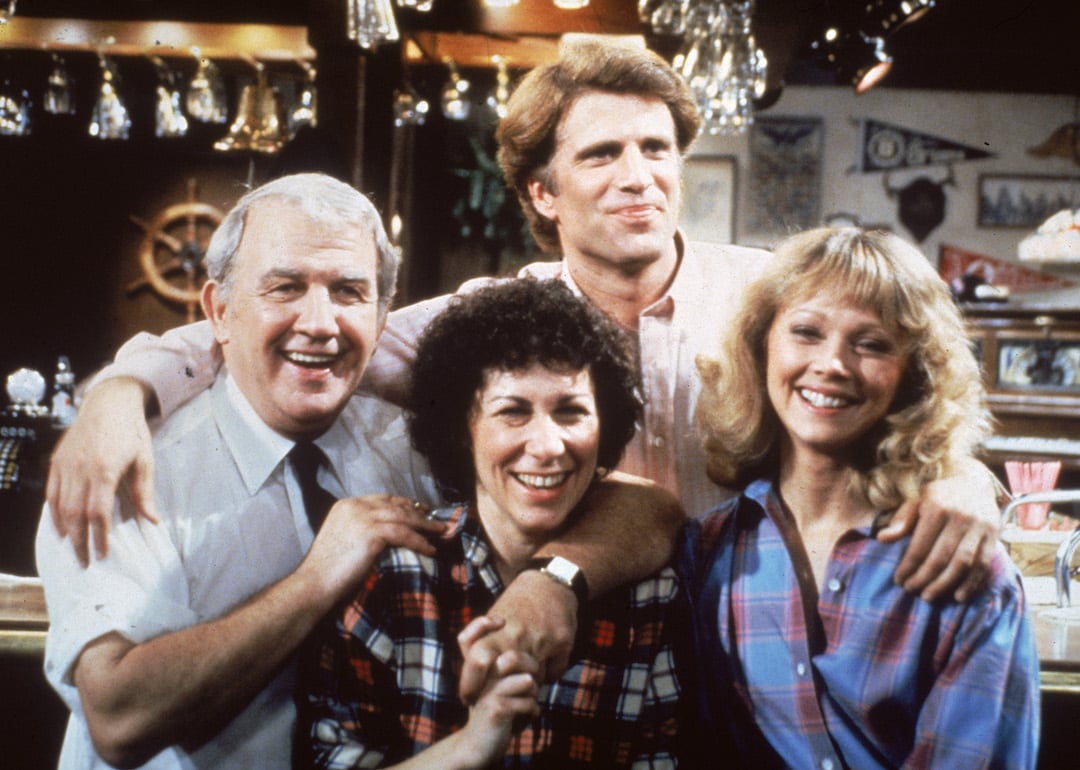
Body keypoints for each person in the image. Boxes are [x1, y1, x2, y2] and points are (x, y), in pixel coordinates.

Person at [45, 40, 1000, 696]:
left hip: (769, 655)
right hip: (575, 666)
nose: (641, 175)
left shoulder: (766, 297)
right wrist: (121, 391)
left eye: (658, 148)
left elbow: (906, 387)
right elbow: (301, 333)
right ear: (542, 190)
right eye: (604, 154)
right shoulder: (488, 323)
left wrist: (965, 479)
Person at [35, 173, 447, 770]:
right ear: (219, 311)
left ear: (384, 316)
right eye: (285, 287)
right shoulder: (122, 462)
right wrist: (318, 577)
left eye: (349, 292)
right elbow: (119, 719)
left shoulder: (415, 451)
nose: (321, 323)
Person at [682, 227, 1040, 769]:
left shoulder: (962, 565)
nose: (833, 364)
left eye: (870, 344)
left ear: (912, 376)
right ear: (761, 348)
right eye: (806, 332)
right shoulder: (712, 550)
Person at [298, 278, 687, 768]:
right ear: (463, 429)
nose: (547, 447)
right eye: (512, 412)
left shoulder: (651, 598)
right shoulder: (395, 577)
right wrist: (470, 747)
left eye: (570, 413)